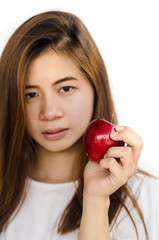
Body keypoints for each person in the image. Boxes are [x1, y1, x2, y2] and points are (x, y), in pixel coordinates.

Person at [0, 10, 158, 240]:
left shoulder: (148, 198)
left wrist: (95, 200)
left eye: (65, 88)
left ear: (95, 87)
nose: (49, 112)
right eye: (31, 94)